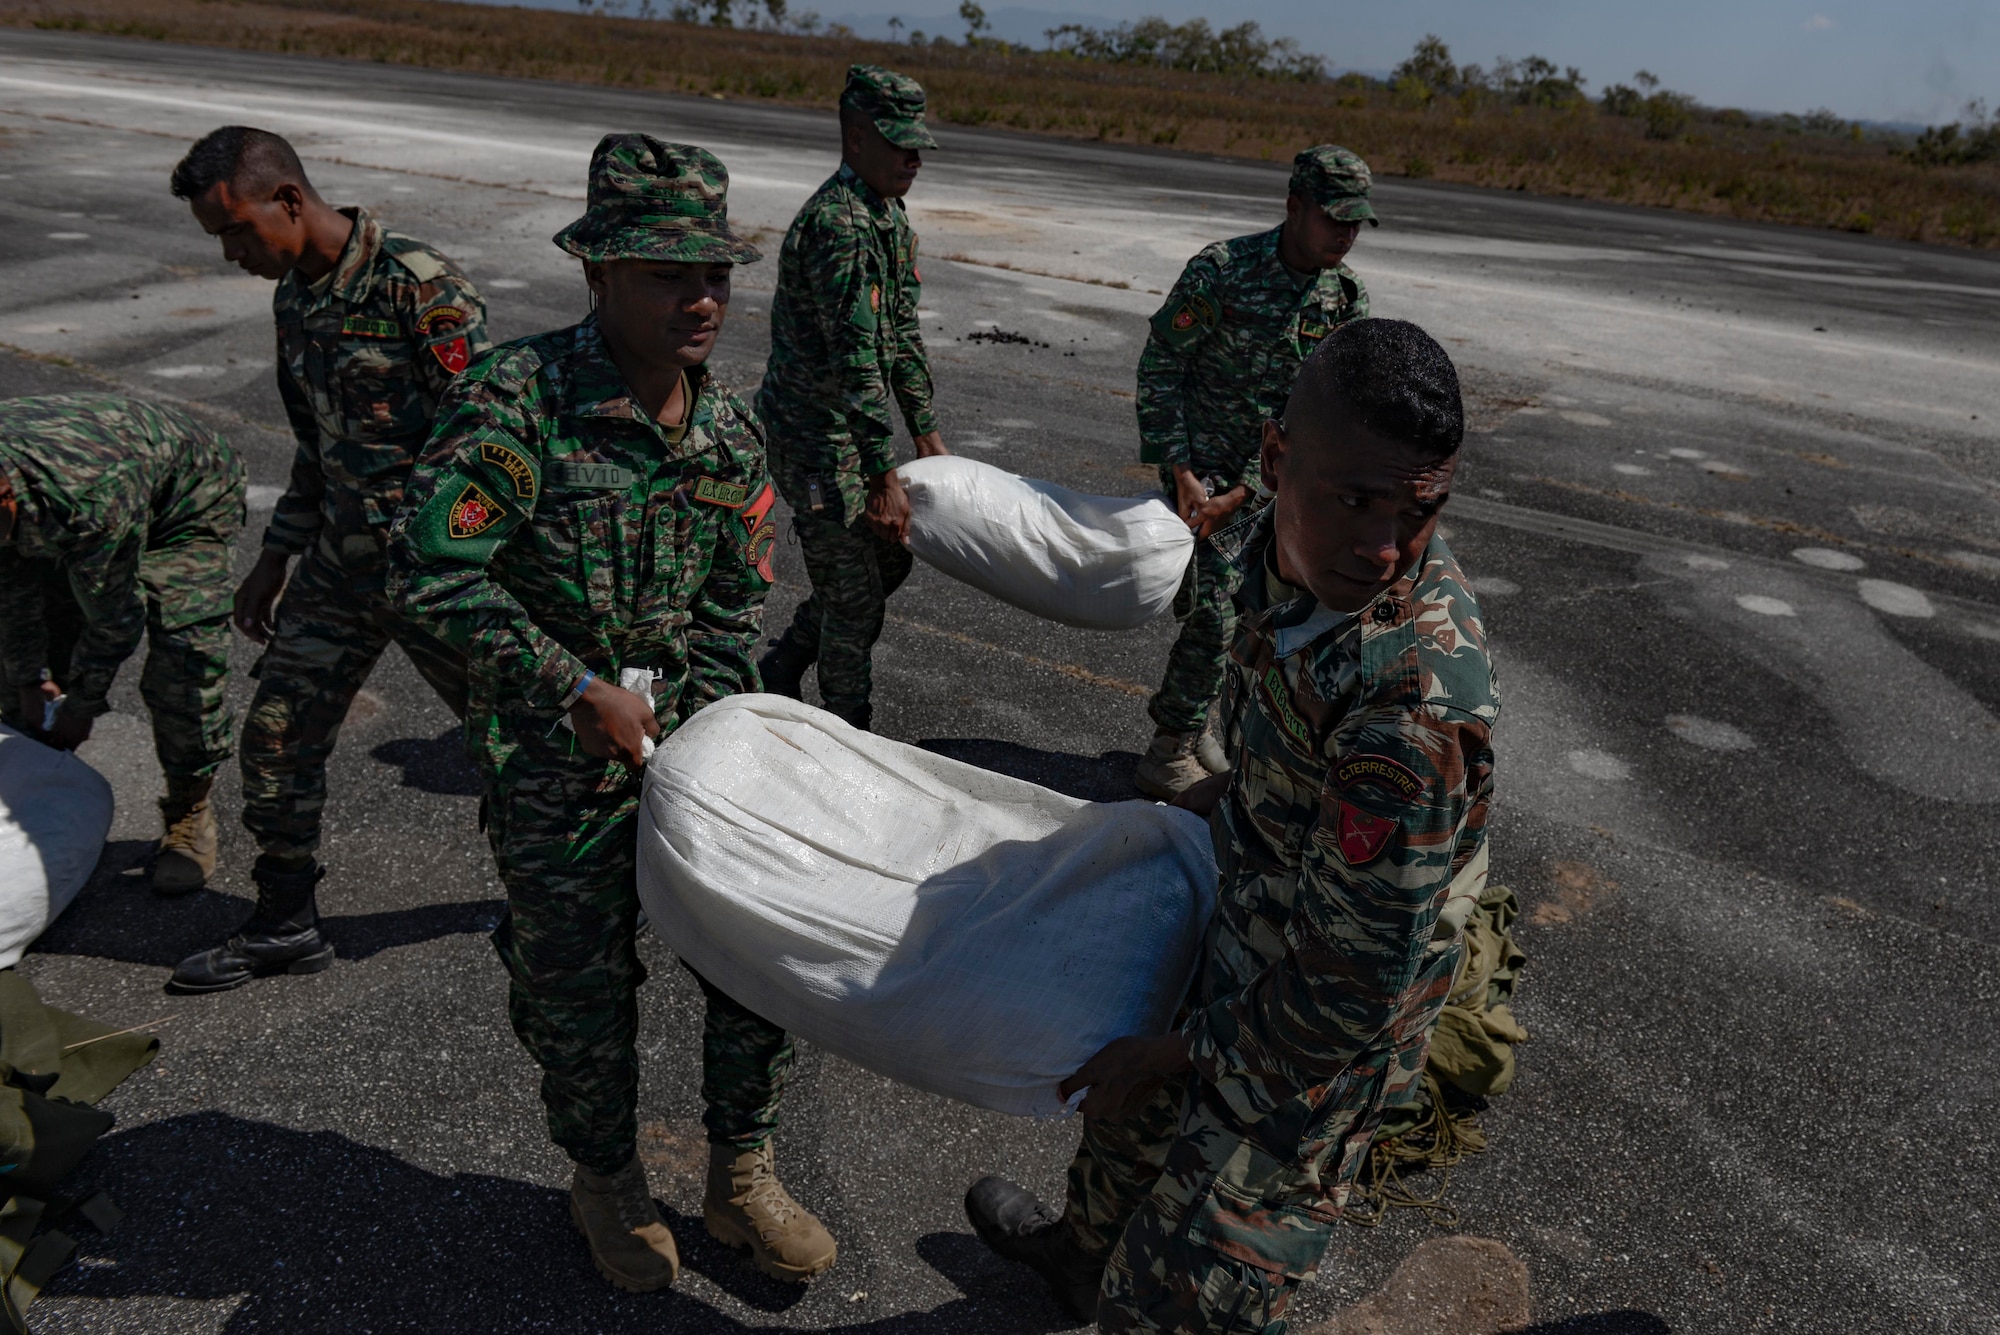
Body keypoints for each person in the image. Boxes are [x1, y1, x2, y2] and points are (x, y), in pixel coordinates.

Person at [964, 319, 1498, 1334]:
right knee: (1124, 1138)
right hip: (1247, 928)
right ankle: (1079, 1262)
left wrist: (1174, 1051)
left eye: (1417, 512)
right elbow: (1268, 760)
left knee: (1189, 1291)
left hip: (1311, 1045)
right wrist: (1152, 824)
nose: (1382, 546)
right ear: (1274, 460)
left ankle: (1137, 1297)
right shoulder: (1270, 551)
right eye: (1354, 501)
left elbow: (1349, 992)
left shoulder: (1412, 708)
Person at [386, 134, 834, 1293]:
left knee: (753, 960)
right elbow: (431, 574)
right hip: (555, 761)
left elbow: (739, 600)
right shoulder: (518, 402)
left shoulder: (727, 433)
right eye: (665, 275)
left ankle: (740, 1173)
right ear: (598, 275)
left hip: (694, 754)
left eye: (717, 276)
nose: (701, 299)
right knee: (579, 989)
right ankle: (606, 1180)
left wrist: (737, 737)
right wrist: (564, 686)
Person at [164, 125, 488, 992]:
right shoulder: (295, 300)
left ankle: (601, 890)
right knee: (275, 734)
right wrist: (276, 557)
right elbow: (317, 446)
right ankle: (283, 922)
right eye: (220, 239)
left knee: (521, 743)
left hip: (437, 572)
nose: (232, 253)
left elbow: (487, 447)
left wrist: (457, 566)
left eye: (238, 231)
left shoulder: (423, 289)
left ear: (291, 201)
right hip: (341, 568)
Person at [1133, 146, 1377, 799]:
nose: (1346, 235)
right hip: (1203, 474)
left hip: (1276, 484)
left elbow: (1327, 406)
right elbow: (1161, 370)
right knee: (1215, 612)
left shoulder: (1344, 298)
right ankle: (1168, 749)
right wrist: (1180, 471)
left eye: (1357, 223)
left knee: (1260, 619)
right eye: (1334, 218)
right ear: (1294, 206)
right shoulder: (1223, 273)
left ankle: (1206, 723)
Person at [755, 64, 949, 730]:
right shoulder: (837, 227)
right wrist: (880, 474)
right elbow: (857, 360)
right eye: (901, 142)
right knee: (854, 598)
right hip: (811, 437)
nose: (914, 158)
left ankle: (783, 663)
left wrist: (925, 431)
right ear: (856, 135)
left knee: (890, 560)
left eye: (919, 143)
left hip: (847, 430)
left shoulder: (887, 216)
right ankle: (846, 733)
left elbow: (900, 335)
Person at [0, 394, 245, 893]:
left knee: (184, 651)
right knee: (21, 650)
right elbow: (11, 591)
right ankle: (23, 785)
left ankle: (189, 807)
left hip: (185, 498)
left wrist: (82, 706)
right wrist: (29, 679)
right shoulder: (20, 508)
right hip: (80, 492)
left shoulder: (89, 499)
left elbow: (115, 619)